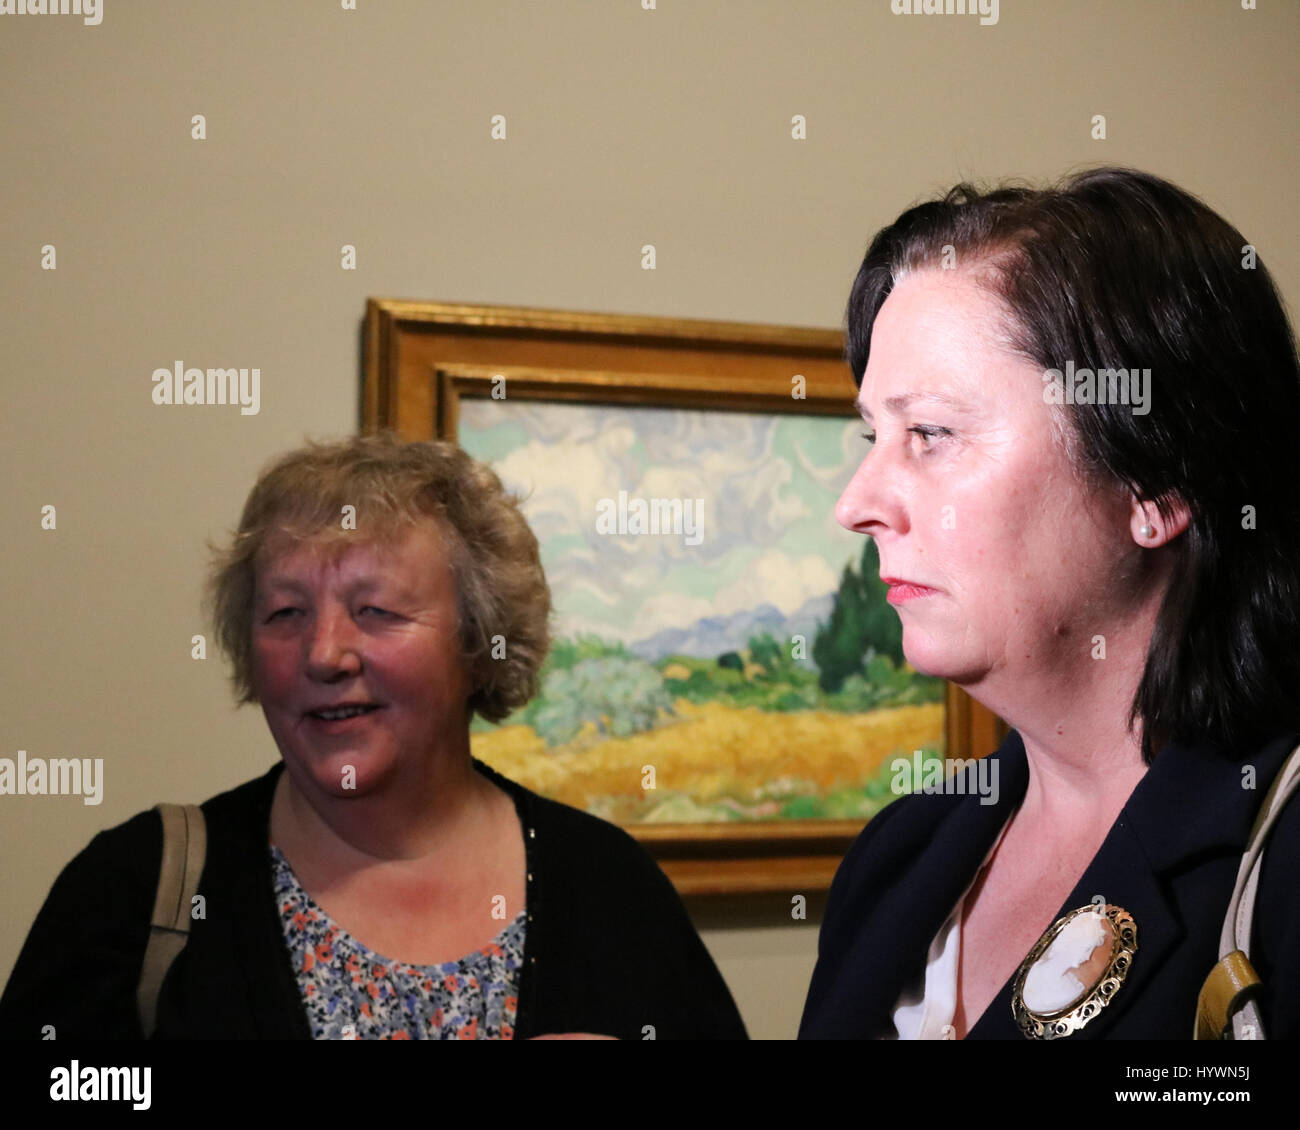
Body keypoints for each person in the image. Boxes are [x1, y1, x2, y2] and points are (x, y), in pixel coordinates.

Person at [0, 433, 747, 1040]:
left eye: (377, 611)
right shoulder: (139, 891)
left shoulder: (608, 890)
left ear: (475, 641)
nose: (325, 654)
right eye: (285, 613)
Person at [800, 167, 1300, 1040]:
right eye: (871, 434)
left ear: (1155, 482)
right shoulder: (897, 859)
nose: (857, 502)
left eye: (932, 432)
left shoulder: (1283, 861)